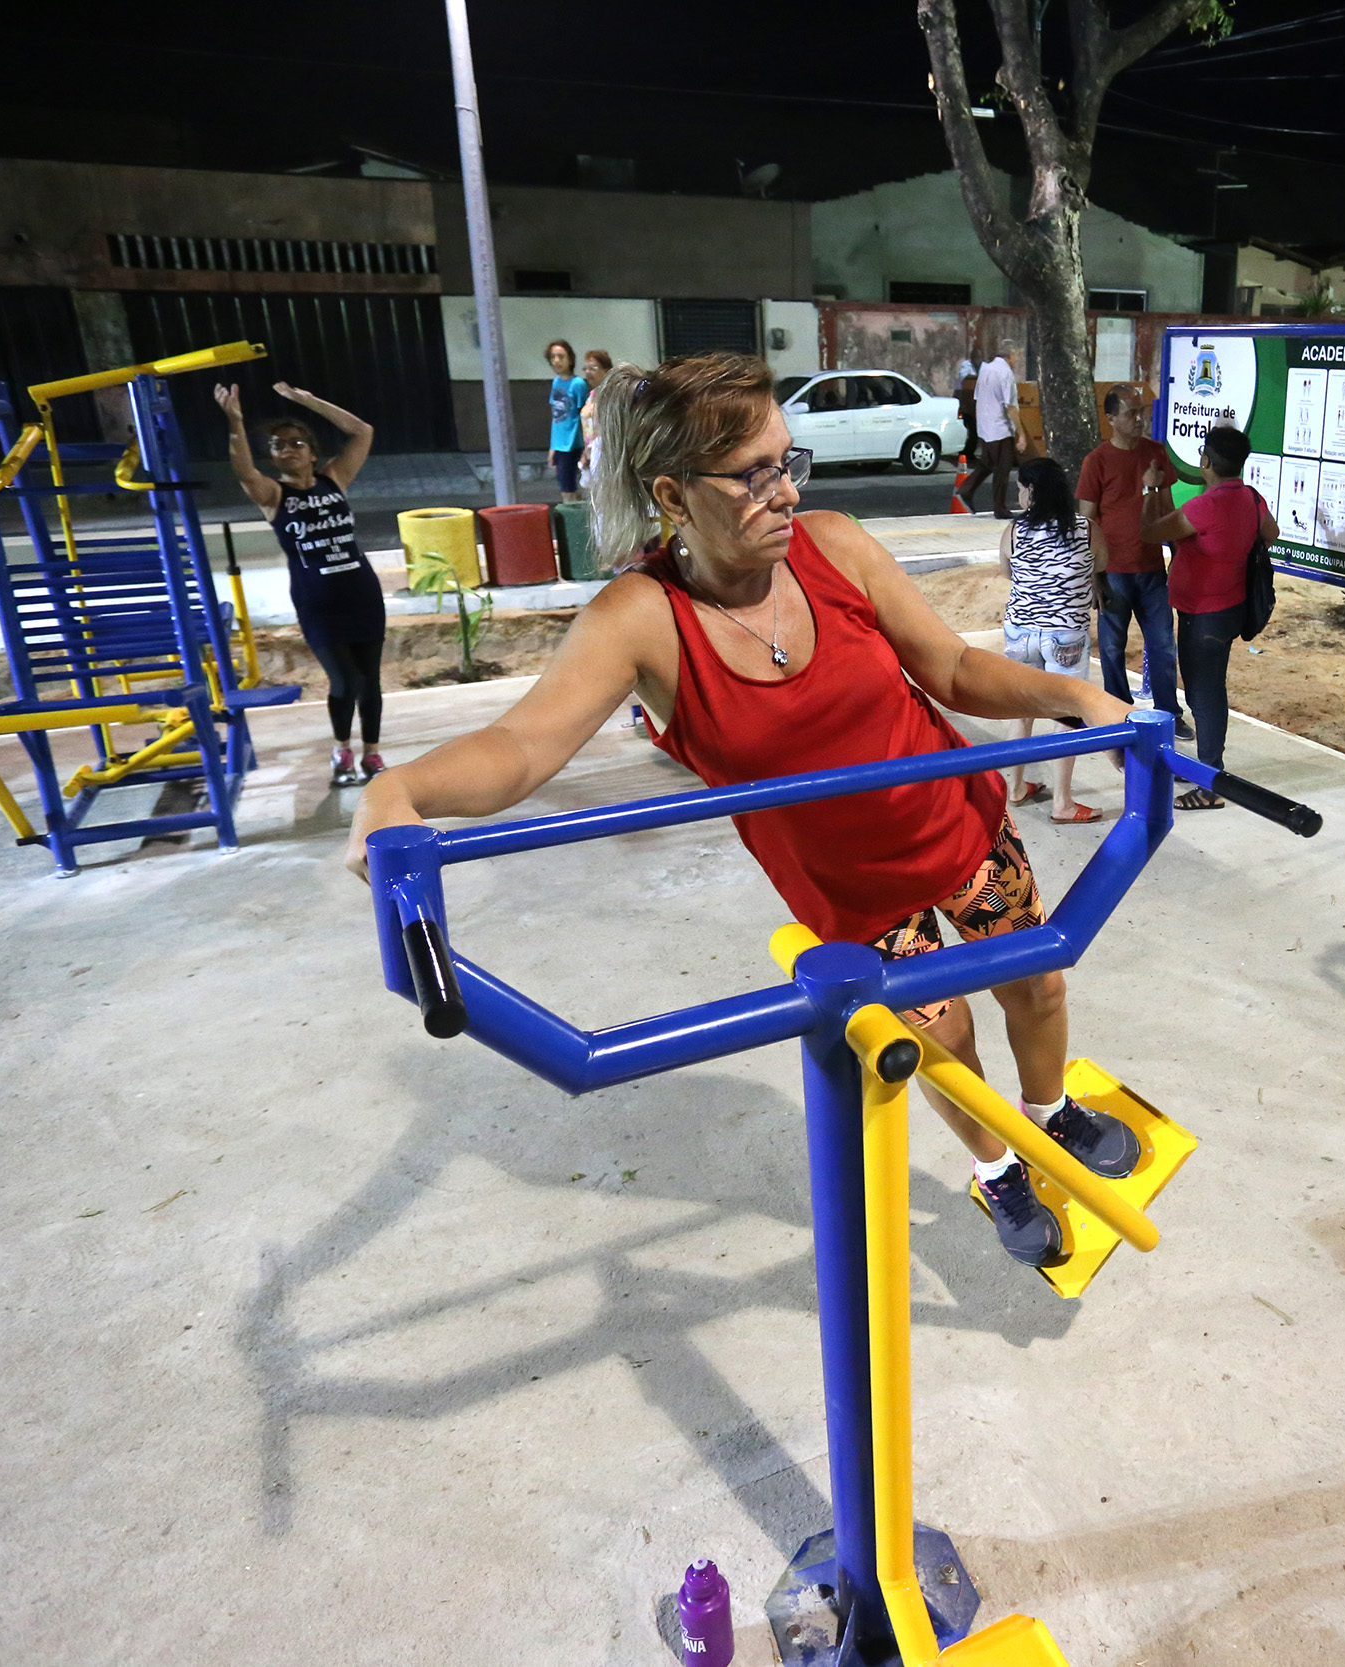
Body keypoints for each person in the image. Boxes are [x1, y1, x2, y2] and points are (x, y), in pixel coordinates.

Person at [344, 353, 1141, 1268]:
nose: (786, 495)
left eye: (787, 463)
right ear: (674, 496)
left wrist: (1077, 698)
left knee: (1037, 982)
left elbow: (953, 667)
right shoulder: (642, 619)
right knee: (943, 1037)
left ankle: (1052, 1114)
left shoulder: (836, 547)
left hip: (956, 825)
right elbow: (522, 748)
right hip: (850, 894)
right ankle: (999, 1166)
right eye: (754, 476)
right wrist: (399, 787)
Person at [215, 379, 381, 787]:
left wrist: (308, 401)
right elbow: (243, 469)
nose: (286, 449)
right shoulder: (274, 495)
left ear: (311, 452)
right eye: (277, 445)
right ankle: (342, 750)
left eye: (294, 443)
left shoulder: (334, 479)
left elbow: (363, 432)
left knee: (370, 680)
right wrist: (235, 423)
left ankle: (372, 755)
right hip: (318, 601)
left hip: (361, 591)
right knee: (346, 680)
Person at [1136, 424, 1275, 811]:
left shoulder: (1205, 506)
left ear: (1206, 461)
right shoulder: (1250, 498)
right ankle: (1204, 766)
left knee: (1205, 693)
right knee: (1209, 687)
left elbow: (1150, 533)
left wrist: (1151, 489)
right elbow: (1272, 533)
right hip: (1232, 607)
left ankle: (1211, 781)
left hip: (1203, 613)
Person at [1077, 386, 1192, 741]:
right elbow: (1087, 520)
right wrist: (1092, 574)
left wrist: (1176, 553)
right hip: (1113, 571)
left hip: (1151, 567)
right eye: (1131, 413)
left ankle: (1168, 713)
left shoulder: (1155, 454)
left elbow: (1168, 509)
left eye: (1141, 411)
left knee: (1161, 643)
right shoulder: (1097, 461)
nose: (1139, 419)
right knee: (1111, 646)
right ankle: (1119, 712)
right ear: (1110, 419)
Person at [1001, 455, 1103, 825]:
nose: (1019, 494)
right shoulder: (1086, 528)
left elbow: (1006, 569)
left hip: (1020, 632)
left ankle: (1015, 788)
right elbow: (1101, 563)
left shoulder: (1014, 530)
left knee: (1021, 710)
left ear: (1032, 491)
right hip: (1066, 635)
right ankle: (1062, 803)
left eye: (1020, 488)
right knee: (1066, 715)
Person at [960, 339, 1020, 517]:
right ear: (1010, 355)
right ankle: (999, 507)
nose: (1017, 360)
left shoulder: (985, 369)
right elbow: (1011, 407)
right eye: (1016, 355)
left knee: (988, 463)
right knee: (1003, 467)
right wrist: (1020, 433)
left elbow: (978, 397)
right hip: (1000, 427)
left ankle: (967, 489)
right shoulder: (1005, 373)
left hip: (985, 427)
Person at [545, 340, 587, 504]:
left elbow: (585, 415)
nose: (556, 361)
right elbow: (556, 417)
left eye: (561, 356)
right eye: (553, 357)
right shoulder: (556, 383)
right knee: (566, 490)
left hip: (576, 443)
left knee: (581, 488)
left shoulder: (578, 384)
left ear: (570, 359)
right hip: (560, 445)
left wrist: (586, 446)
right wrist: (552, 447)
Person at [578, 348, 616, 492]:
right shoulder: (592, 395)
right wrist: (586, 452)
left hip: (607, 454)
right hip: (592, 454)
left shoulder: (612, 395)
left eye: (592, 368)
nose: (588, 373)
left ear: (606, 370)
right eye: (585, 369)